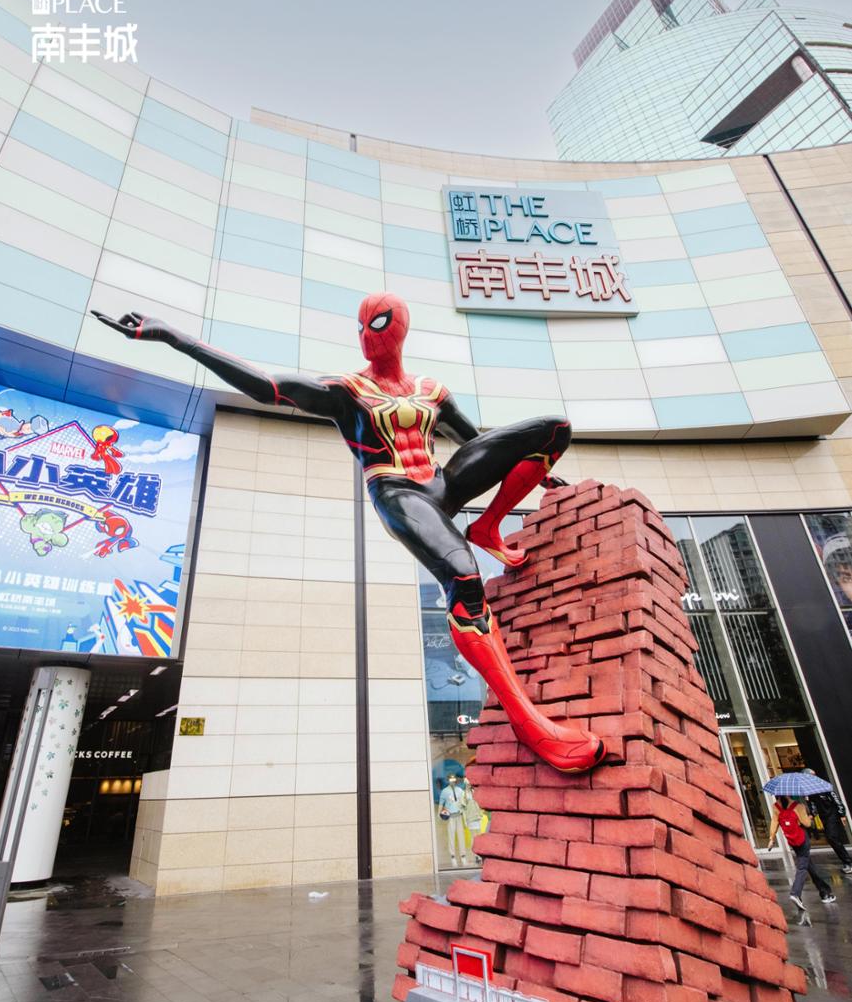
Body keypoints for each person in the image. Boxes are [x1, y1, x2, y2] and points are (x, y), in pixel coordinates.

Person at [93, 296, 605, 774]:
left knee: (553, 428)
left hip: (442, 483)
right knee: (465, 581)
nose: (367, 334)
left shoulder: (431, 391)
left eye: (377, 322)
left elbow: (474, 440)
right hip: (397, 491)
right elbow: (267, 386)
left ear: (400, 329)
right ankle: (530, 724)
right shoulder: (346, 391)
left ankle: (487, 525)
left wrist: (538, 473)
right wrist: (175, 337)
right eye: (360, 325)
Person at [767, 794, 836, 909]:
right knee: (802, 867)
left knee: (809, 865)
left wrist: (772, 839)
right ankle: (796, 893)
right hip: (802, 838)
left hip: (792, 840)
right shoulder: (798, 806)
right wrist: (809, 818)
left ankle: (824, 892)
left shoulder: (776, 807)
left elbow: (774, 822)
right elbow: (807, 824)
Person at [804, 769, 852, 873]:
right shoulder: (809, 791)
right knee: (832, 839)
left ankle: (848, 862)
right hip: (824, 817)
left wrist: (842, 814)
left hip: (832, 815)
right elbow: (813, 805)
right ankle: (846, 861)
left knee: (832, 837)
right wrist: (812, 814)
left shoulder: (824, 786)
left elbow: (836, 800)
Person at [439, 773, 467, 867]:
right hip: (450, 816)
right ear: (448, 780)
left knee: (461, 836)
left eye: (454, 779)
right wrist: (439, 815)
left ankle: (463, 856)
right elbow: (441, 804)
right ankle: (453, 856)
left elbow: (464, 802)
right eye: (450, 780)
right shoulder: (444, 791)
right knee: (451, 837)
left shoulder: (460, 790)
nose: (452, 781)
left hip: (459, 815)